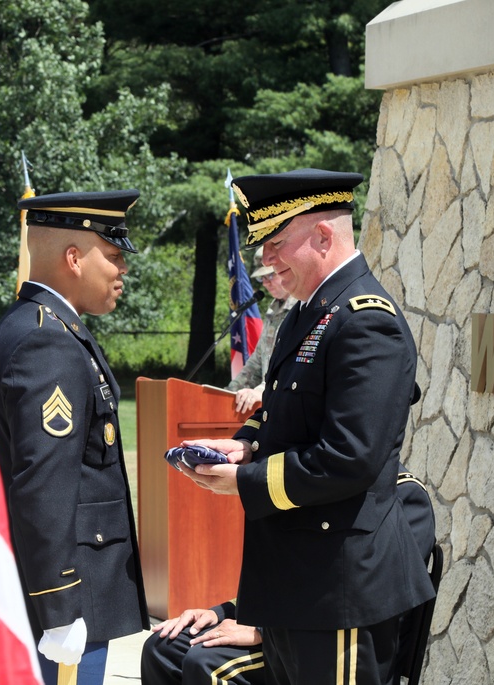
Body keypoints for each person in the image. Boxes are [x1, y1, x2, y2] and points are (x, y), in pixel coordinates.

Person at [175, 169, 436, 685]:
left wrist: (246, 483)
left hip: (340, 586)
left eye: (276, 243)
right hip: (298, 581)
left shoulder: (366, 319)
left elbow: (350, 456)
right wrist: (242, 450)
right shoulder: (305, 316)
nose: (266, 260)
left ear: (323, 236)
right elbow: (281, 413)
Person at [0, 189, 149, 685]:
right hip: (65, 599)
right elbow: (43, 487)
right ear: (73, 258)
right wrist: (59, 608)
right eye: (113, 256)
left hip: (53, 589)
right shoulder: (48, 341)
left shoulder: (33, 325)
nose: (122, 270)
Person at [140, 467, 436, 685]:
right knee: (164, 647)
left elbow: (371, 600)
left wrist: (263, 632)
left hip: (337, 643)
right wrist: (219, 613)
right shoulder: (312, 482)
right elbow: (285, 578)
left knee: (208, 664)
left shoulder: (405, 495)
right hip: (282, 620)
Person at [225, 247, 294, 414]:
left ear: (286, 271)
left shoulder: (301, 310)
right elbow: (257, 362)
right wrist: (228, 392)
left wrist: (262, 390)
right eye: (262, 278)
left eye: (270, 275)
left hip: (287, 406)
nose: (265, 283)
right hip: (266, 406)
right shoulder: (273, 312)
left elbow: (291, 366)